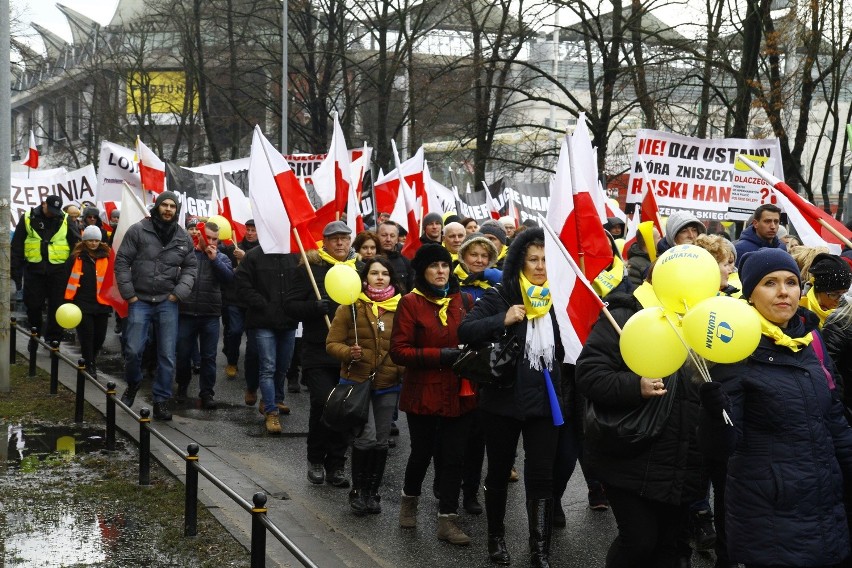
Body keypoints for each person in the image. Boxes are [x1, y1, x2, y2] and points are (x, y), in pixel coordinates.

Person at [698, 248, 852, 568]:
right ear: (751, 294)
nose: (784, 291)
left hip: (825, 505)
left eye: (791, 282)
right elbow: (721, 447)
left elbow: (834, 421)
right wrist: (714, 412)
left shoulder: (811, 340)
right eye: (770, 283)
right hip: (771, 518)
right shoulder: (735, 351)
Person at [575, 266, 704, 567]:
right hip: (632, 452)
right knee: (639, 542)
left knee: (668, 548)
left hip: (684, 460)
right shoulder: (624, 315)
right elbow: (589, 374)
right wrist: (636, 385)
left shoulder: (705, 321)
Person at [457, 228, 564, 567]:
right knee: (499, 471)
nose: (539, 266)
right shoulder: (501, 294)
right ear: (520, 260)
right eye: (533, 259)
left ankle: (540, 549)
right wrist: (502, 319)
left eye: (546, 260)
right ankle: (496, 538)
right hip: (502, 400)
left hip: (545, 402)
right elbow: (465, 330)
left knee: (542, 477)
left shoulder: (560, 299)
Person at [390, 244, 477, 545]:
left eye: (445, 265)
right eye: (434, 266)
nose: (441, 271)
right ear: (423, 271)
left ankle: (447, 521)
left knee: (454, 458)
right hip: (423, 393)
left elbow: (475, 336)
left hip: (459, 391)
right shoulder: (410, 303)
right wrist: (441, 355)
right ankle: (409, 501)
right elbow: (399, 351)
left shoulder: (463, 299)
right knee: (421, 454)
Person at [326, 257, 404, 515]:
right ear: (365, 277)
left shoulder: (401, 307)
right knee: (367, 436)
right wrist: (349, 352)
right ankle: (358, 490)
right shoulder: (350, 307)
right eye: (374, 273)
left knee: (381, 440)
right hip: (357, 383)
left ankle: (373, 491)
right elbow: (331, 344)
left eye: (384, 273)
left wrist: (401, 367)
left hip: (388, 383)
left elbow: (406, 344)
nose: (380, 277)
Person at [284, 221, 357, 486]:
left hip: (350, 351)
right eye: (334, 239)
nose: (340, 243)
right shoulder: (309, 269)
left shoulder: (358, 269)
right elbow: (290, 305)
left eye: (344, 238)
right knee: (323, 402)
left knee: (345, 408)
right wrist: (315, 307)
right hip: (318, 349)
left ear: (350, 242)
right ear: (324, 242)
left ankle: (336, 465)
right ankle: (315, 458)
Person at [115, 191, 197, 421]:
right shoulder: (139, 230)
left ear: (177, 210)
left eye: (172, 206)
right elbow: (122, 261)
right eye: (165, 205)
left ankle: (161, 400)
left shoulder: (183, 237)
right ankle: (133, 383)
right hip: (139, 300)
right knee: (132, 350)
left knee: (167, 355)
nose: (168, 209)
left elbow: (191, 268)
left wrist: (178, 293)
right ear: (157, 207)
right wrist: (129, 294)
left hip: (167, 301)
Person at [234, 235, 299, 434]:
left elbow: (302, 284)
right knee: (268, 366)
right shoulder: (254, 256)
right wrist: (261, 303)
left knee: (283, 365)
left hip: (287, 321)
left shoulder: (294, 255)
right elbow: (242, 284)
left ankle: (273, 400)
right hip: (263, 321)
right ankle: (271, 411)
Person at [175, 222, 234, 410]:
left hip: (210, 314)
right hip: (186, 312)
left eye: (215, 239)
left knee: (209, 356)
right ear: (199, 236)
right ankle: (182, 385)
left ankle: (207, 393)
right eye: (207, 237)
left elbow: (229, 279)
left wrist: (214, 259)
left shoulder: (222, 257)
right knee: (183, 354)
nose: (211, 241)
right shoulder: (187, 255)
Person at [12, 194, 80, 343]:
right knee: (33, 306)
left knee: (57, 307)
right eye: (50, 210)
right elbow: (17, 245)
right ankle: (34, 335)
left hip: (58, 271)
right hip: (34, 271)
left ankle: (54, 339)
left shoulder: (65, 219)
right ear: (43, 204)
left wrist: (71, 267)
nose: (52, 213)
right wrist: (15, 270)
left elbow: (76, 245)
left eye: (55, 211)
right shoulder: (28, 218)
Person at [64, 225, 112, 376]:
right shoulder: (76, 257)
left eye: (96, 240)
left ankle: (92, 357)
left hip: (102, 303)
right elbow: (67, 278)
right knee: (87, 335)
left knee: (100, 337)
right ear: (84, 241)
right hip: (82, 302)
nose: (93, 243)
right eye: (90, 240)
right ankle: (89, 363)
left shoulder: (107, 256)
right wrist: (67, 300)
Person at [221, 219, 260, 380]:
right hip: (234, 298)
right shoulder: (233, 248)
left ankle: (251, 367)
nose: (250, 233)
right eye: (248, 230)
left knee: (252, 338)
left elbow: (262, 273)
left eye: (253, 230)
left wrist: (246, 257)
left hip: (252, 301)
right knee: (235, 331)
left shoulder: (263, 251)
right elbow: (224, 270)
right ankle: (232, 362)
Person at [798, 252, 852, 327]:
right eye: (834, 294)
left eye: (845, 294)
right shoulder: (799, 312)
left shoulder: (848, 314)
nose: (840, 300)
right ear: (818, 291)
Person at [454, 232, 501, 301]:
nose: (479, 260)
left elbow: (514, 282)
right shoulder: (452, 281)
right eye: (474, 255)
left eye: (484, 256)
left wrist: (487, 274)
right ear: (463, 256)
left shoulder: (495, 281)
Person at [377, 221, 414, 291]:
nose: (388, 239)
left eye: (392, 236)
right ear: (377, 236)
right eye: (384, 235)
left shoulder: (406, 260)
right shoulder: (370, 257)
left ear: (397, 239)